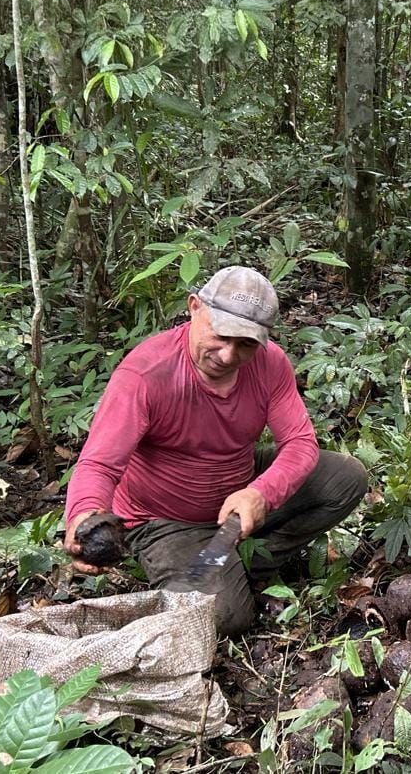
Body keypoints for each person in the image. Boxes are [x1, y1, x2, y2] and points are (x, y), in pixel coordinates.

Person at [63, 265, 368, 638]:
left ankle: (243, 562)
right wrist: (83, 516)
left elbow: (301, 443)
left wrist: (261, 492)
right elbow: (99, 464)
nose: (227, 355)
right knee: (226, 616)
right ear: (194, 307)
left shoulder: (270, 365)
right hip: (165, 519)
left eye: (246, 344)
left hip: (238, 490)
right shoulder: (146, 374)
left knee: (345, 478)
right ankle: (215, 571)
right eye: (221, 336)